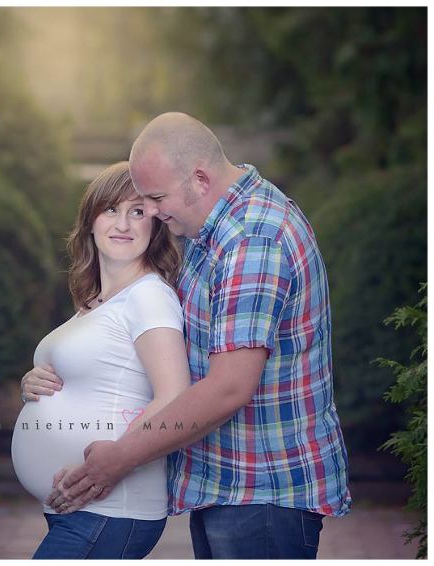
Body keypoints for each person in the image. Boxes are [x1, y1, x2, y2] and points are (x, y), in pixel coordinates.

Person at [23, 113, 352, 559]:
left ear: (199, 179)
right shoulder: (209, 231)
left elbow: (228, 387)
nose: (153, 212)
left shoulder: (253, 238)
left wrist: (119, 458)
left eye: (155, 198)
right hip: (227, 486)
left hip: (262, 490)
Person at [10, 161, 191, 559]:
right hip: (80, 512)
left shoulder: (149, 296)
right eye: (112, 209)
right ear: (91, 220)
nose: (123, 223)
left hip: (112, 509)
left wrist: (112, 464)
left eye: (139, 212)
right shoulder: (97, 304)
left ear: (155, 226)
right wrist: (33, 385)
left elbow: (175, 397)